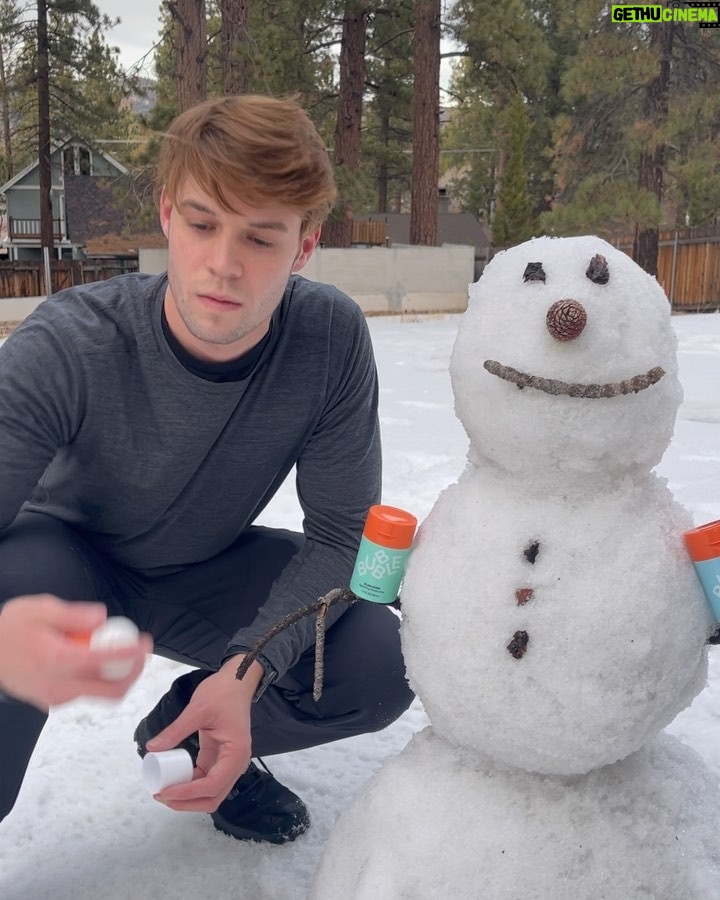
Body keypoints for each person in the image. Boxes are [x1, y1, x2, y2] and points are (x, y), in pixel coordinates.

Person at [0, 94, 414, 845]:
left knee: (375, 661)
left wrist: (246, 671)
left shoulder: (328, 340)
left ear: (304, 247)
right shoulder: (70, 342)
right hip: (61, 569)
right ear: (165, 215)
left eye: (260, 238)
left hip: (205, 566)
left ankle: (190, 733)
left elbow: (338, 536)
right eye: (201, 224)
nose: (224, 264)